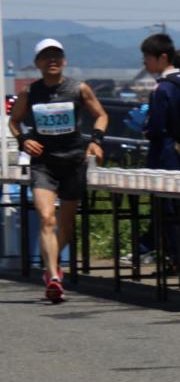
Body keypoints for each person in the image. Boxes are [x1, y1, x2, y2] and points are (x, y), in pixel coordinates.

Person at [8, 39, 108, 302]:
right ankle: (53, 277)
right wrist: (23, 140)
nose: (51, 60)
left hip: (74, 161)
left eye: (56, 56)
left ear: (63, 61)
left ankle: (51, 264)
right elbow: (14, 121)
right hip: (44, 162)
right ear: (37, 63)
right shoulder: (30, 93)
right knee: (46, 218)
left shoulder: (78, 89)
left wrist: (96, 140)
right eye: (45, 57)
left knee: (64, 225)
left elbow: (101, 114)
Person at [140, 33, 180, 271]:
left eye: (147, 57)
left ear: (162, 57)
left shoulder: (162, 89)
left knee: (167, 210)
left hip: (165, 155)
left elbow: (156, 127)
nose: (145, 63)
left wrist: (144, 126)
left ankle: (174, 259)